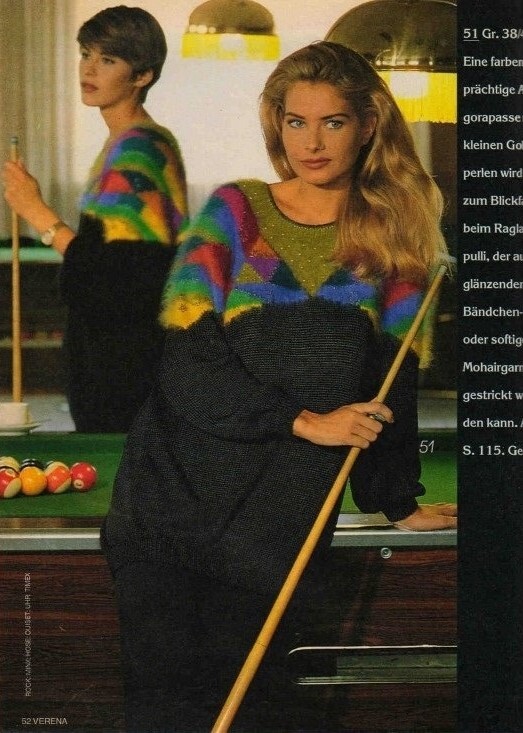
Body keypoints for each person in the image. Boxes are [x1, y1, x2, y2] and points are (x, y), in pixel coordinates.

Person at [101, 41, 457, 731]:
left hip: (279, 521)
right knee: (165, 710)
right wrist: (304, 420)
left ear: (367, 125)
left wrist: (396, 500)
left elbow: (392, 382)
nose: (311, 143)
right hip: (166, 502)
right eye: (296, 122)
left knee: (261, 714)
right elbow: (185, 361)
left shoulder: (394, 240)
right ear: (277, 125)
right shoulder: (234, 212)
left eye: (332, 122)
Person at [2, 5, 188, 432]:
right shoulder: (125, 143)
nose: (88, 69)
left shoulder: (139, 151)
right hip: (112, 358)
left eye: (108, 59)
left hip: (126, 364)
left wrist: (38, 212)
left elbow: (117, 280)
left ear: (143, 75)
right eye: (86, 54)